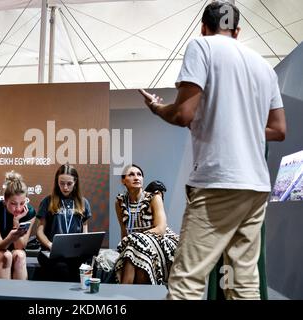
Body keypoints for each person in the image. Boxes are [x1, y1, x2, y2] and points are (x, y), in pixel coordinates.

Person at [139, 1, 286, 299]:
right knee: (243, 283)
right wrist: (239, 128)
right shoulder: (263, 65)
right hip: (255, 187)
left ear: (204, 28)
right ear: (237, 30)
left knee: (186, 282)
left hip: (219, 181)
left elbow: (183, 114)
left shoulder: (201, 47)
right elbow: (279, 130)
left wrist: (156, 108)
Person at [114, 164, 179, 285]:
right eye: (131, 174)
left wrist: (137, 238)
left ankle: (122, 292)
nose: (136, 177)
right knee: (133, 252)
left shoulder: (154, 197)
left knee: (134, 246)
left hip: (161, 241)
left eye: (139, 174)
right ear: (123, 180)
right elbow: (124, 231)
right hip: (136, 247)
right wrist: (127, 246)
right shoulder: (120, 202)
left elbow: (161, 228)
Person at [36, 164, 92, 281]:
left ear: (75, 182)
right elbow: (40, 231)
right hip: (51, 252)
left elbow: (84, 229)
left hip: (74, 253)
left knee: (85, 266)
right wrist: (50, 245)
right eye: (61, 183)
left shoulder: (83, 202)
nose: (65, 187)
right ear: (57, 182)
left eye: (69, 184)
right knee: (62, 268)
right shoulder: (48, 201)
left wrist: (84, 247)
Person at [0, 171, 36, 279]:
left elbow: (20, 246)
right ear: (5, 200)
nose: (18, 208)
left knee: (20, 256)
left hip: (15, 248)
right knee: (6, 256)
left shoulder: (30, 212)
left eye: (22, 203)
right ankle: (2, 295)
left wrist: (16, 222)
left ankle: (20, 295)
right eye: (13, 204)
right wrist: (10, 238)